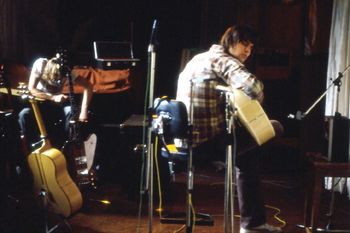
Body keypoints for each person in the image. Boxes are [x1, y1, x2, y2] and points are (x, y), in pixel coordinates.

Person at [176, 25, 284, 233]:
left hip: (184, 141)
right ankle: (252, 224)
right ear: (230, 41)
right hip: (207, 145)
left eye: (251, 47)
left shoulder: (198, 58)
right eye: (245, 44)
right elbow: (254, 87)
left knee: (247, 157)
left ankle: (253, 224)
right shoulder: (224, 60)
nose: (248, 51)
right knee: (275, 127)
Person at [18, 54, 93, 151]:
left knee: (71, 111)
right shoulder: (40, 64)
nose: (57, 82)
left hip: (56, 106)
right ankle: (30, 151)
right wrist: (52, 97)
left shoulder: (67, 70)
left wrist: (84, 112)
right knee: (24, 114)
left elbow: (88, 86)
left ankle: (67, 148)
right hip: (39, 103)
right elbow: (31, 89)